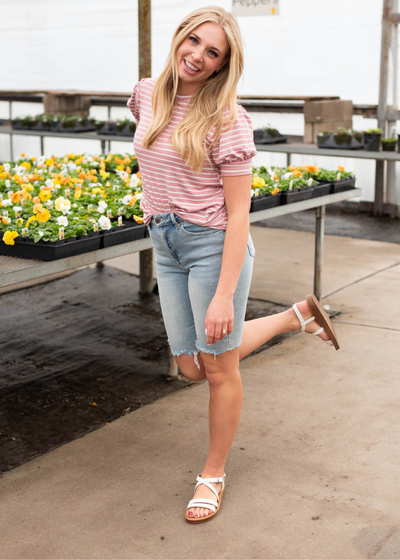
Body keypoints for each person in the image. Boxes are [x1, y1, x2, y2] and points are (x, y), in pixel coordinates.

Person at [127, 6, 339, 524]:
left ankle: (213, 474)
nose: (197, 56)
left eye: (212, 52)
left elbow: (240, 213)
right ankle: (297, 316)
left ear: (224, 65)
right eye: (193, 41)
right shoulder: (147, 94)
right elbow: (156, 157)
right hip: (167, 244)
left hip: (212, 248)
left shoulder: (227, 118)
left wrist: (224, 294)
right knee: (190, 366)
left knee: (220, 368)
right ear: (179, 38)